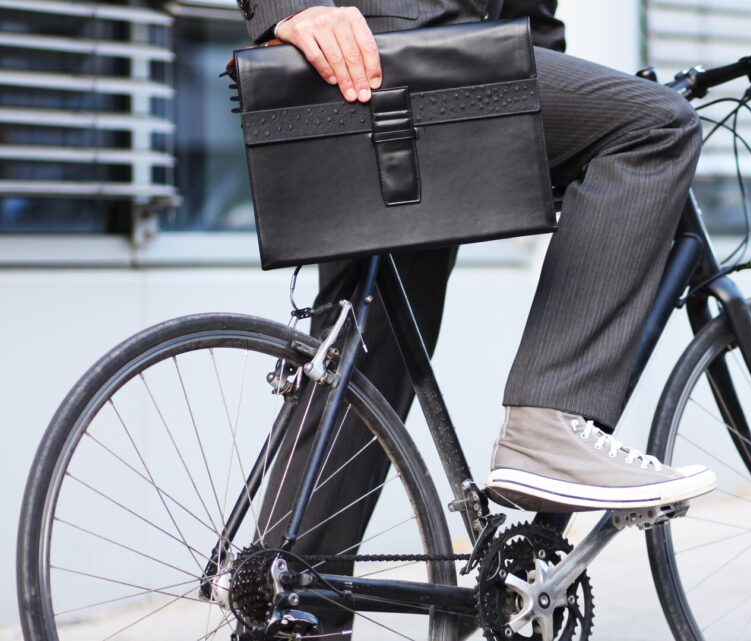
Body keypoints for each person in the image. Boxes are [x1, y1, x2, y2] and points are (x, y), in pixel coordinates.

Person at [239, 0, 713, 534]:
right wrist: (293, 8)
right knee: (655, 128)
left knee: (367, 360)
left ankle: (291, 602)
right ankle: (547, 429)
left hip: (411, 65)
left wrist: (535, 62)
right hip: (409, 60)